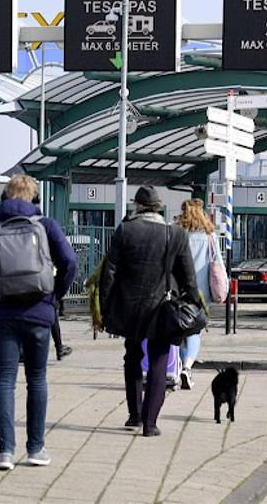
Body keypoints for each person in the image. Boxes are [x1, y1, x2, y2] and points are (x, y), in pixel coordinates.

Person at [0, 175, 77, 471]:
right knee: (37, 379)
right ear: (33, 197)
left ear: (5, 197)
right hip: (39, 314)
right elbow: (69, 262)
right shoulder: (46, 226)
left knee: (5, 379)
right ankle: (36, 448)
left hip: (4, 315)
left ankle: (5, 452)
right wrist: (54, 297)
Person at [99, 186, 197, 437]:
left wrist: (104, 308)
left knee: (132, 356)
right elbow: (188, 277)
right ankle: (150, 422)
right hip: (162, 308)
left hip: (130, 307)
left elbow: (108, 273)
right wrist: (194, 303)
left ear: (137, 206)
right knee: (158, 361)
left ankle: (135, 414)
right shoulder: (174, 234)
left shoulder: (125, 230)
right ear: (159, 207)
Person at [173, 198, 220, 389]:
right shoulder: (210, 236)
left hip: (178, 288)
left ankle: (174, 369)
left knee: (176, 329)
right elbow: (217, 262)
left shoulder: (176, 233)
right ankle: (187, 366)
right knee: (194, 330)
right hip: (201, 293)